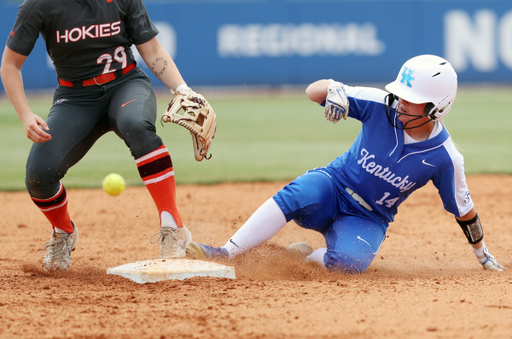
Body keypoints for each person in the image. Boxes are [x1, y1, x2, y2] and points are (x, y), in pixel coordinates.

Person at [186, 54, 506, 274]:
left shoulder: (445, 157)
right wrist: (333, 87)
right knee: (297, 193)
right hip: (332, 186)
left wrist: (483, 256)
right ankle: (226, 252)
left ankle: (297, 256)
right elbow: (314, 92)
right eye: (402, 94)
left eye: (412, 99)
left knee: (348, 265)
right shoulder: (380, 104)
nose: (401, 102)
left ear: (437, 108)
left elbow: (464, 210)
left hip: (369, 217)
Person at [0, 0, 204, 270]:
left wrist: (182, 90)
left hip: (125, 84)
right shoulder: (39, 5)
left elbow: (152, 49)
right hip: (75, 98)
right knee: (39, 174)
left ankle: (173, 227)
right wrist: (26, 115)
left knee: (138, 126)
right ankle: (63, 232)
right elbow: (10, 65)